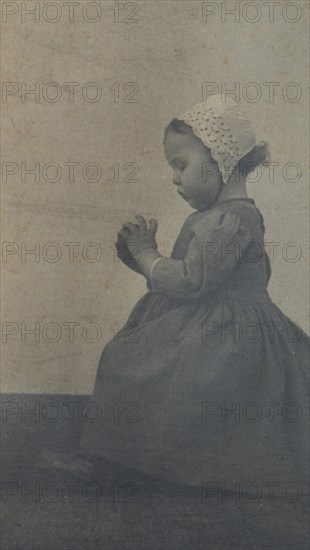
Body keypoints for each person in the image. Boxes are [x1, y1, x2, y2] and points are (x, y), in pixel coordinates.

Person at [41, 96, 309, 497]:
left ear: (222, 160)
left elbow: (191, 282)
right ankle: (130, 458)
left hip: (226, 339)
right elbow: (188, 279)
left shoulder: (232, 217)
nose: (175, 178)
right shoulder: (215, 216)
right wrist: (140, 262)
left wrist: (150, 255)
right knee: (131, 358)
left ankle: (141, 464)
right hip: (205, 325)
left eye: (181, 165)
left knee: (145, 365)